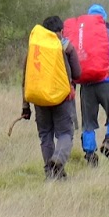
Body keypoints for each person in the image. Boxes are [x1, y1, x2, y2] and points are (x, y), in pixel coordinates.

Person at [21, 15, 78, 180]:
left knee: (45, 135)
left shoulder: (33, 49)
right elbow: (78, 73)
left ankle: (51, 174)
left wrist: (25, 106)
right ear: (61, 31)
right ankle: (58, 159)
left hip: (39, 99)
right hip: (62, 99)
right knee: (66, 133)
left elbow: (26, 79)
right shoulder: (64, 47)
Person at [69, 5, 109, 166]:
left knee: (88, 122)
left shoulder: (80, 36)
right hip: (106, 82)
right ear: (103, 19)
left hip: (86, 85)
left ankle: (90, 155)